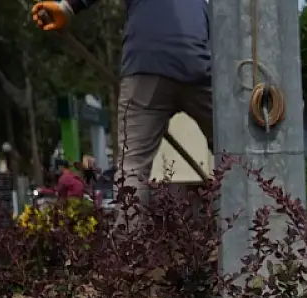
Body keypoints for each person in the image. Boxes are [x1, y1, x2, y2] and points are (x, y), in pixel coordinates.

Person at [30, 0, 213, 196]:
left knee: (132, 168)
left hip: (145, 65)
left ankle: (129, 216)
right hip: (198, 65)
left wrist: (67, 8)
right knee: (232, 148)